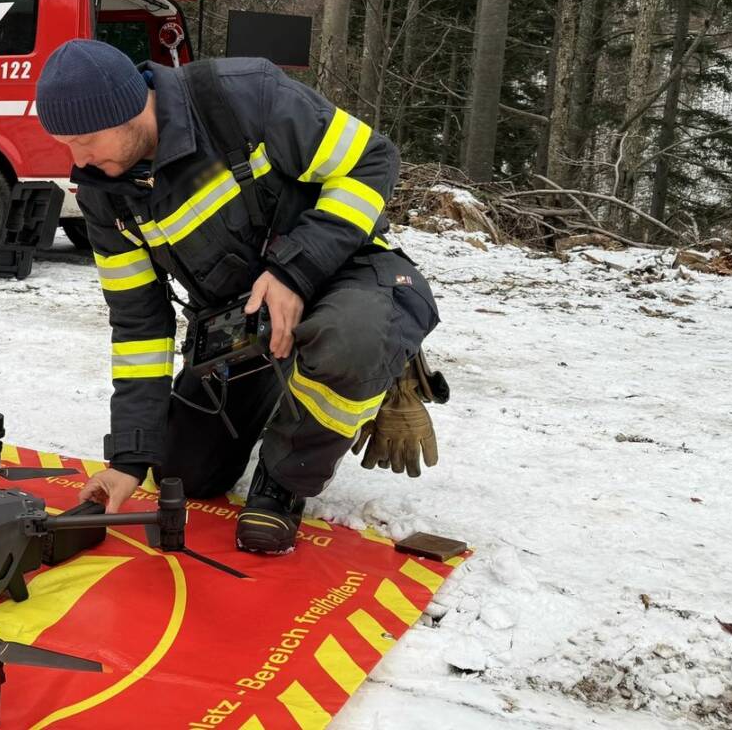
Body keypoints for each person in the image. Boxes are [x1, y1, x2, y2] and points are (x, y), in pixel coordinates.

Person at [35, 40, 442, 555]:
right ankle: (296, 369)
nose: (80, 161)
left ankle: (286, 479)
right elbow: (139, 323)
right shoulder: (103, 192)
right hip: (244, 317)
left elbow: (372, 160)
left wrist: (293, 272)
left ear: (134, 105)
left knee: (349, 342)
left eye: (87, 140)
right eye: (66, 144)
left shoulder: (242, 95)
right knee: (187, 473)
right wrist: (129, 458)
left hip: (344, 272)